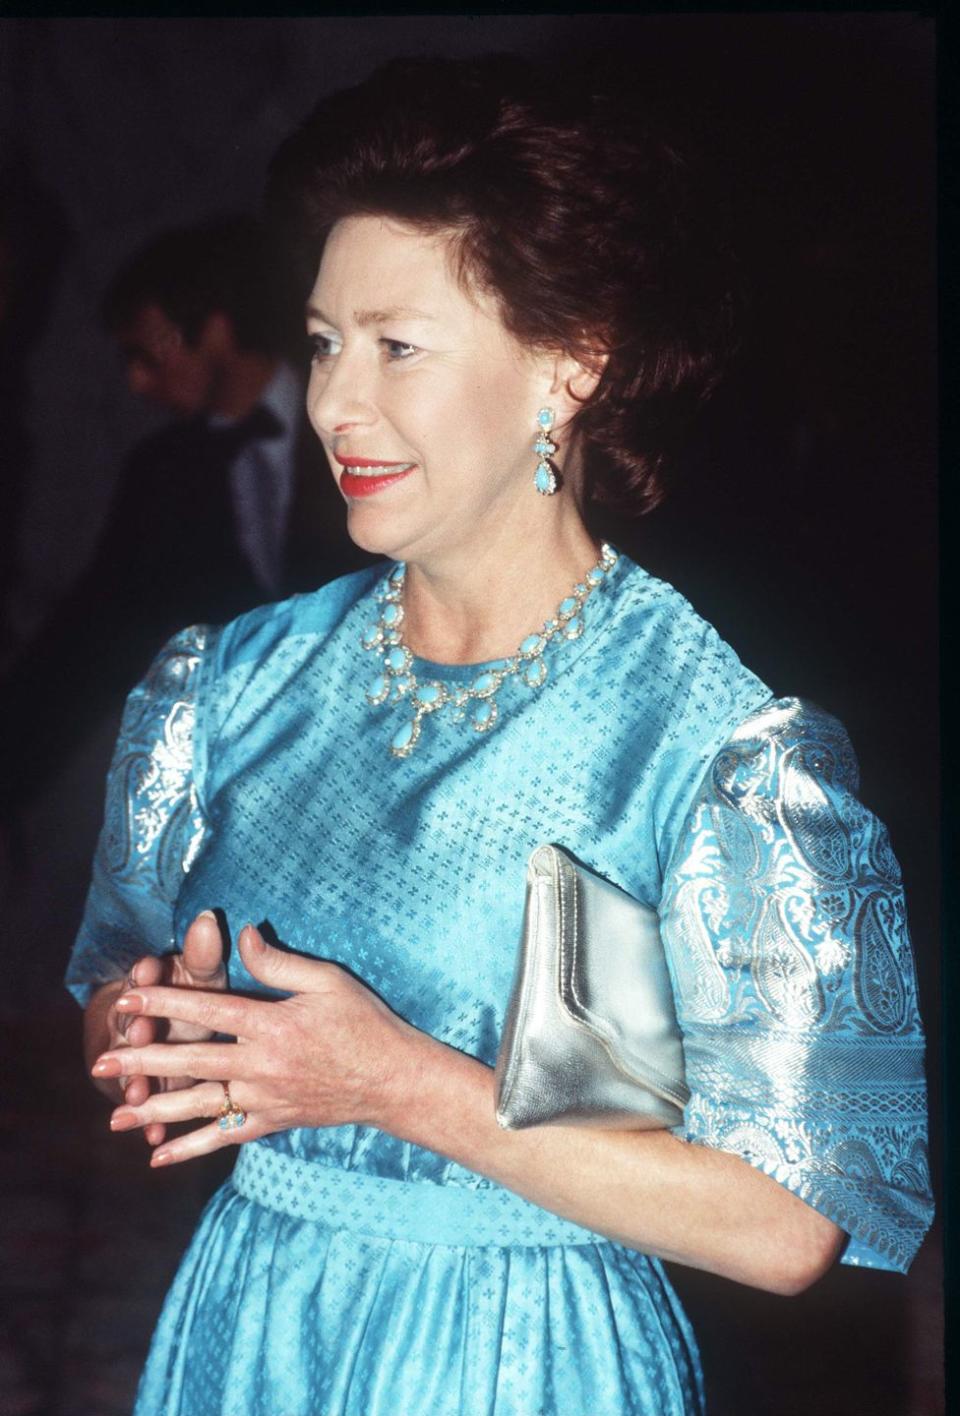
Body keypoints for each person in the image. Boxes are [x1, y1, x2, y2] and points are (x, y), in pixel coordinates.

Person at [66, 55, 933, 1416]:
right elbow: (114, 993)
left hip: (527, 1355)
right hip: (253, 1324)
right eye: (322, 342)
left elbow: (792, 1228)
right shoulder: (226, 683)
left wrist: (397, 1084)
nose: (337, 403)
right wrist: (151, 1026)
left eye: (396, 345)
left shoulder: (718, 748)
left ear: (568, 368)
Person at [1, 215, 374, 819]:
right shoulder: (161, 473)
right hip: (240, 782)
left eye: (149, 353)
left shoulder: (351, 415)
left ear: (217, 330)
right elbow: (90, 633)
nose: (136, 379)